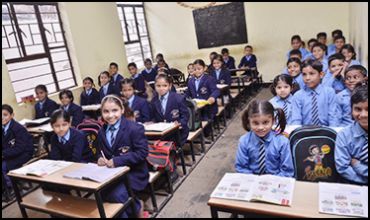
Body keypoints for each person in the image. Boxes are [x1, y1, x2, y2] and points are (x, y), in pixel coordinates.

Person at [96, 95, 149, 218]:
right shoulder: (101, 131)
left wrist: (117, 160)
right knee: (101, 194)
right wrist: (99, 158)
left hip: (133, 173)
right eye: (106, 111)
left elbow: (142, 153)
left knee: (117, 195)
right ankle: (136, 207)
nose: (110, 115)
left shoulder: (134, 128)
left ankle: (136, 208)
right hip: (112, 174)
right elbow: (100, 151)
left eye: (115, 110)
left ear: (122, 110)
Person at [235, 99, 294, 177]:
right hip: (251, 181)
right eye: (255, 123)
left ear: (273, 121)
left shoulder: (282, 142)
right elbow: (241, 168)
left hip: (276, 180)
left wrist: (271, 181)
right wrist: (254, 180)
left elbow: (287, 171)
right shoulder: (244, 141)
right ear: (249, 121)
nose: (261, 127)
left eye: (265, 122)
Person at [335, 84, 368, 185]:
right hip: (353, 184)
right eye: (358, 109)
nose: (363, 115)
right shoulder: (344, 135)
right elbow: (343, 168)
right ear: (351, 110)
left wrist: (357, 165)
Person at [291, 59, 338, 126]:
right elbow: (296, 120)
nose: (307, 78)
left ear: (321, 74)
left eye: (311, 73)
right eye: (304, 74)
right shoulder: (298, 95)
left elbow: (333, 117)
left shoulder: (329, 92)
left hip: (326, 131)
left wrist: (334, 133)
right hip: (304, 132)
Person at [2, 104, 33, 197]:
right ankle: (6, 185)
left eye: (5, 115)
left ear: (12, 115)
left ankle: (13, 187)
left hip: (24, 153)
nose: (2, 117)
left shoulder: (18, 128)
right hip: (10, 153)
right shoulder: (3, 128)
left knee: (4, 166)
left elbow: (20, 148)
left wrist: (3, 154)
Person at [151, 74, 189, 146]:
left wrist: (180, 123)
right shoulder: (153, 101)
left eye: (164, 85)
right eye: (158, 86)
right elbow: (153, 117)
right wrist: (152, 123)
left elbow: (185, 115)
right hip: (161, 134)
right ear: (154, 86)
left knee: (170, 148)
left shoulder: (178, 98)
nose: (161, 88)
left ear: (170, 86)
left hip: (178, 132)